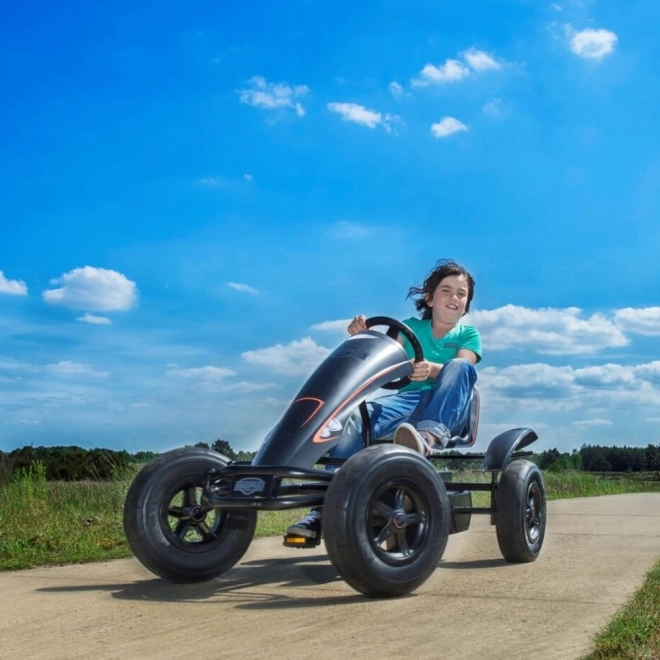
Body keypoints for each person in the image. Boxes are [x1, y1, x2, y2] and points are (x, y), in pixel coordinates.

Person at [285, 258, 482, 542]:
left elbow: (465, 366)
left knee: (459, 367)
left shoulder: (468, 334)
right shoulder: (408, 328)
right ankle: (326, 507)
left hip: (447, 406)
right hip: (406, 402)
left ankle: (426, 439)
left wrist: (431, 368)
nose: (454, 298)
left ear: (466, 304)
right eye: (446, 290)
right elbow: (384, 357)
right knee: (352, 415)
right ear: (429, 297)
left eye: (461, 294)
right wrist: (364, 337)